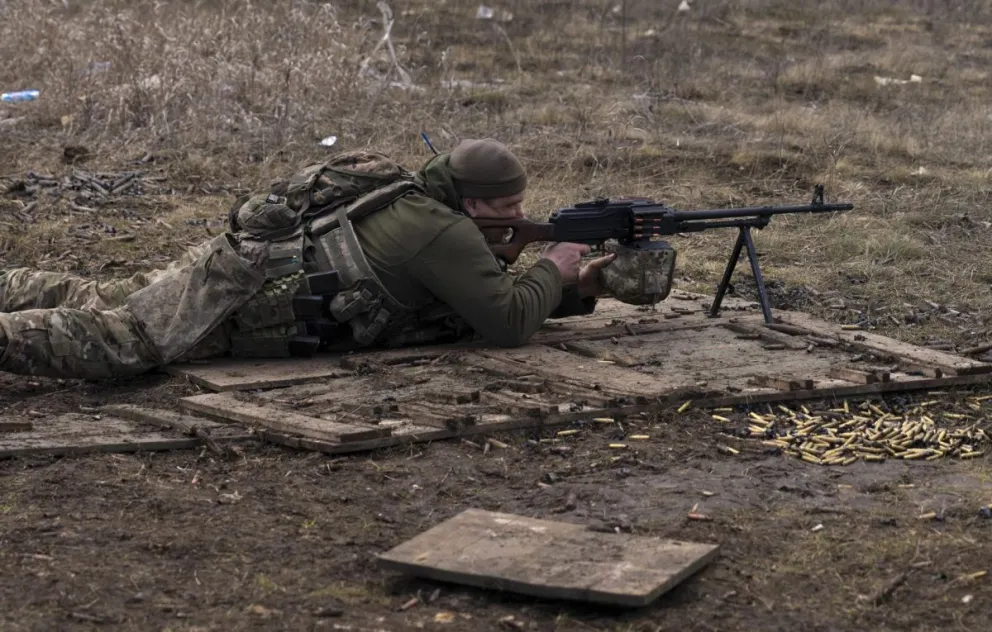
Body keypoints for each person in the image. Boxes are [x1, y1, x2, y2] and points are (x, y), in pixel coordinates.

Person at [0, 139, 617, 380]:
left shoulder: (415, 196)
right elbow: (507, 322)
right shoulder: (444, 233)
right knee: (117, 341)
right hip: (243, 306)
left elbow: (471, 298)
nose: (518, 213)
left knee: (99, 298)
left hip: (237, 264)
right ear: (475, 202)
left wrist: (573, 285)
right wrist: (555, 262)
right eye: (509, 205)